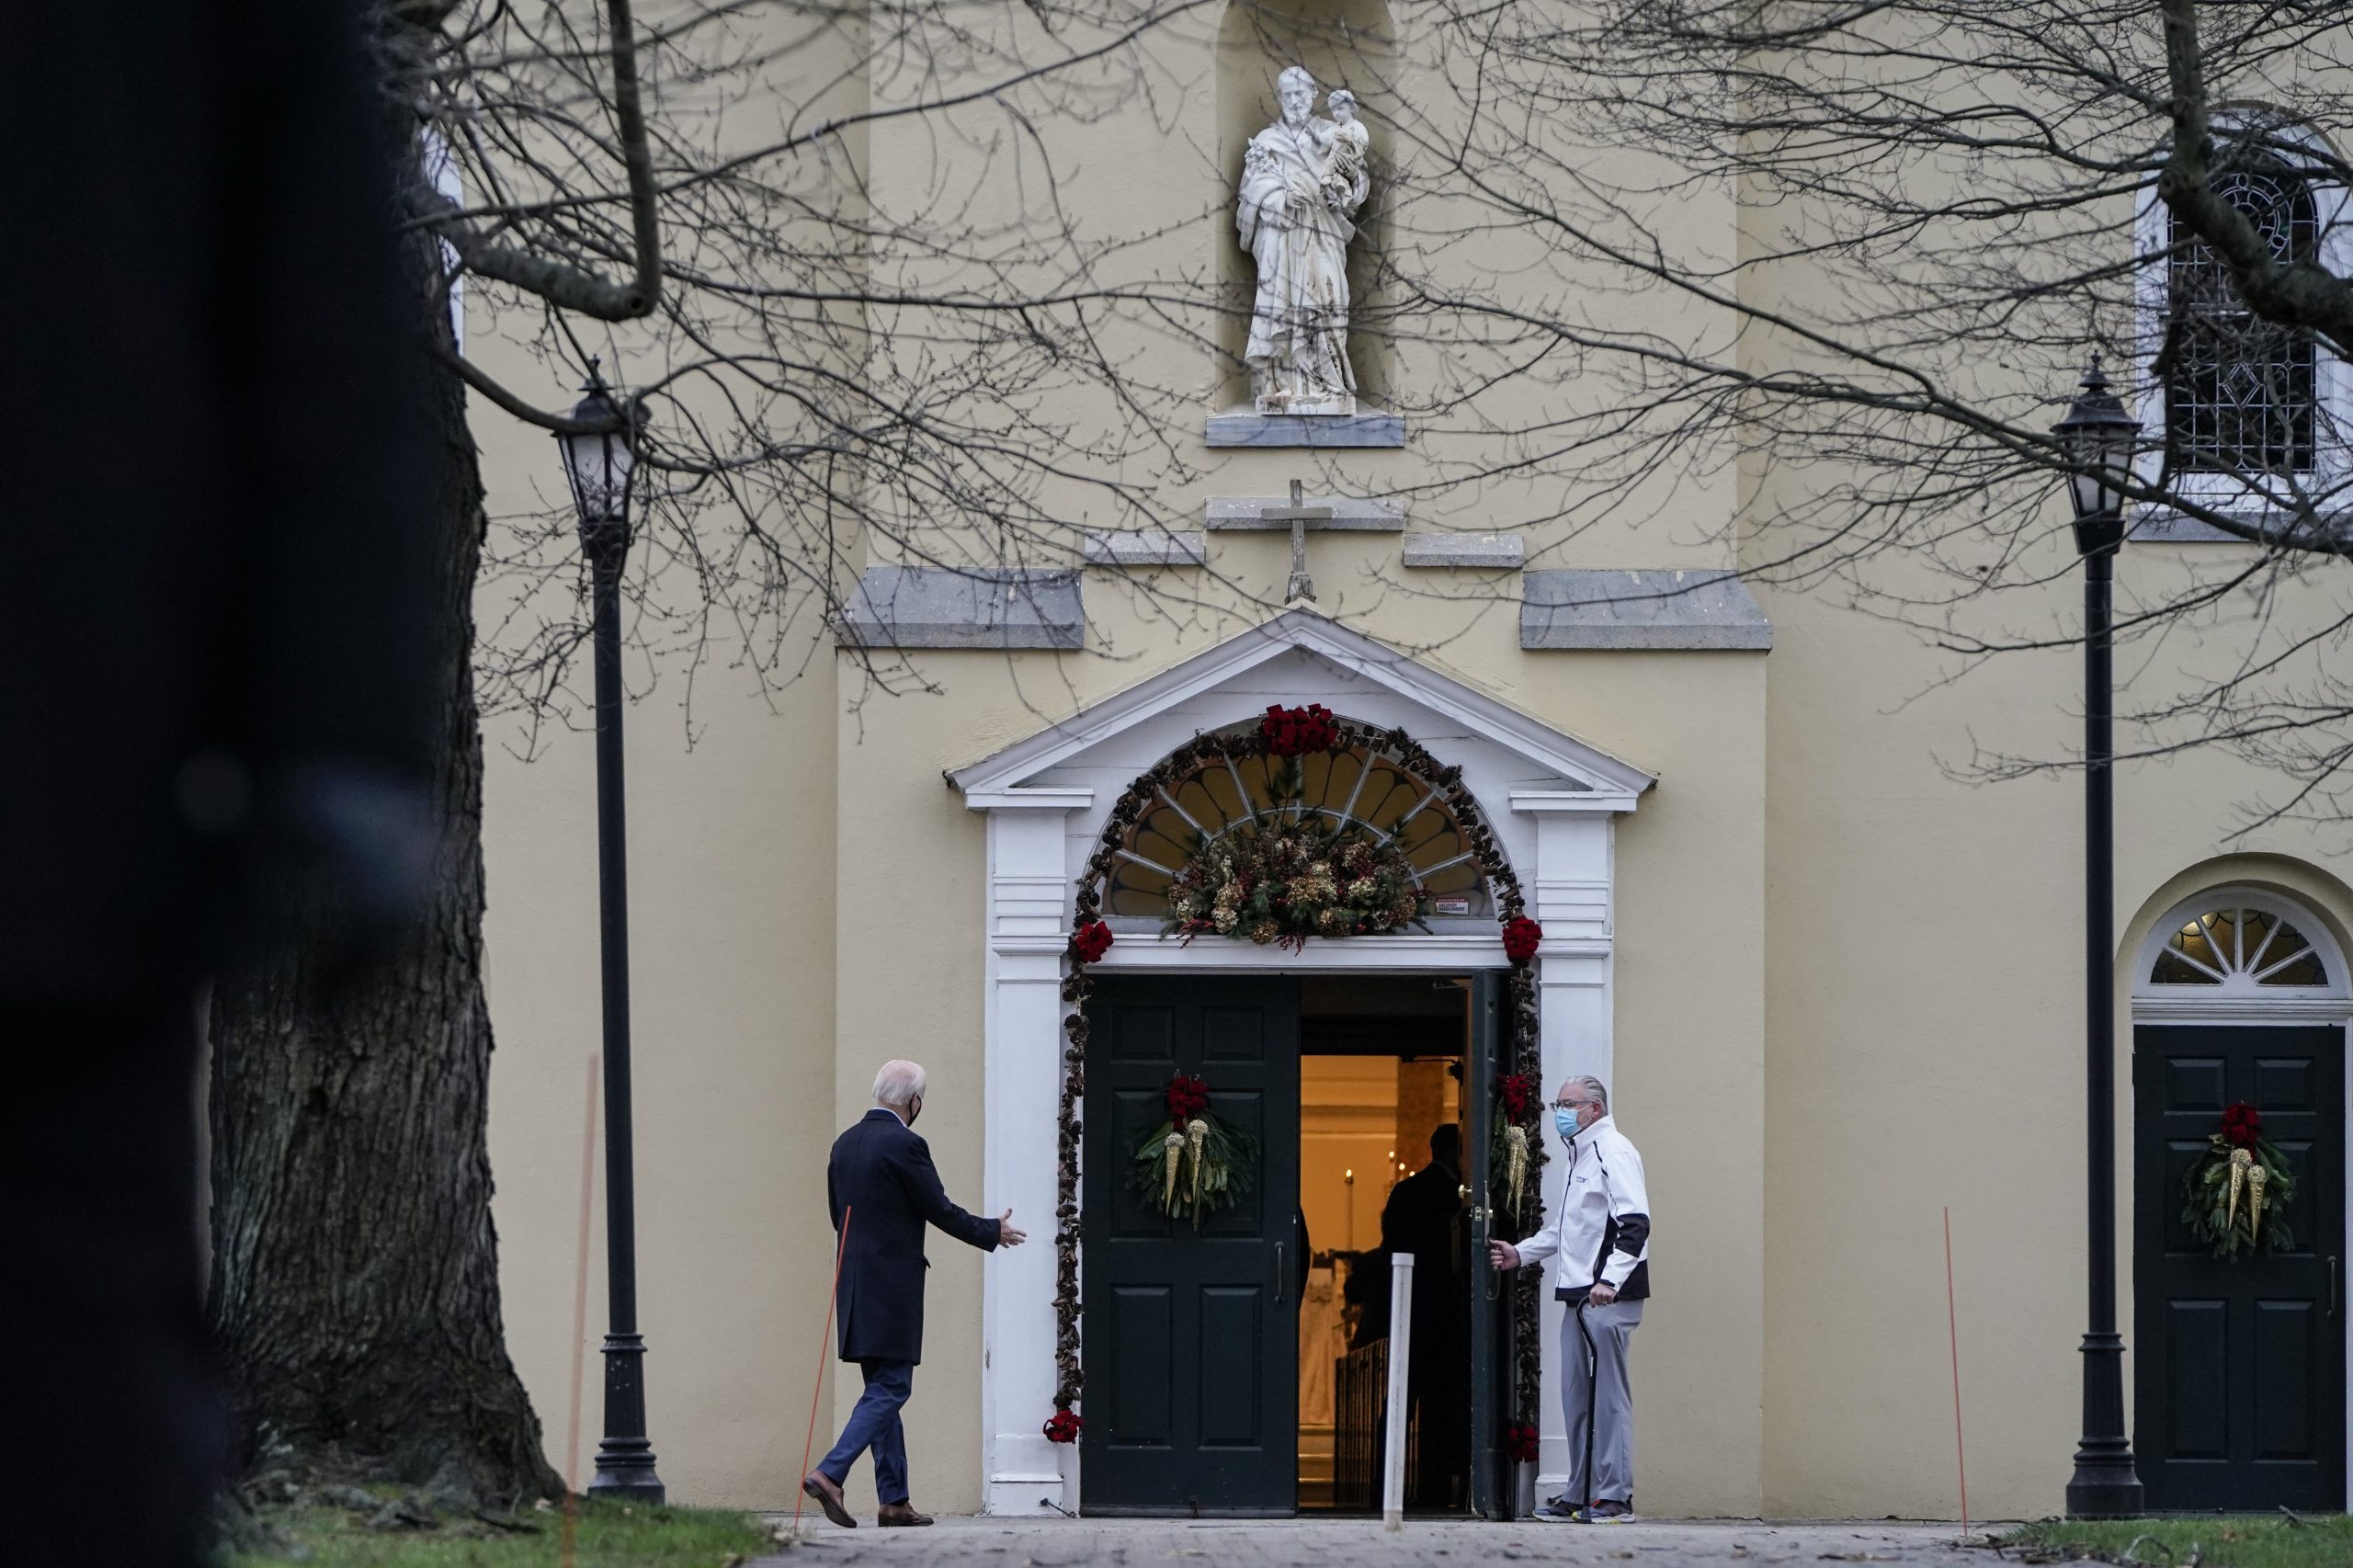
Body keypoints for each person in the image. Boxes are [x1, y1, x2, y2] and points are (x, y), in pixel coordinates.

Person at [2, 4, 438, 1562]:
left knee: (64, 1423)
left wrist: (347, 731)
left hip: (59, 816)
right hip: (73, 802)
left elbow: (311, 301)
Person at [803, 1061, 1026, 1528]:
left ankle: (894, 1501)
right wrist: (992, 1231)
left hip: (854, 1282)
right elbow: (938, 1208)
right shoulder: (907, 1143)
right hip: (892, 1286)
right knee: (893, 1387)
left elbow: (834, 1215)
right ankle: (831, 1472)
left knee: (879, 1389)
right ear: (914, 1101)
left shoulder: (844, 1143)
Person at [1489, 1077, 1651, 1523]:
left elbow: (1635, 1222)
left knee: (1609, 1396)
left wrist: (1611, 1280)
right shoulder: (1579, 1157)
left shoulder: (1613, 1151)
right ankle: (1581, 1493)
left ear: (1593, 1109)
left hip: (1605, 1296)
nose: (1558, 1110)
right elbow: (1563, 1230)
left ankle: (1616, 1497)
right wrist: (1520, 1253)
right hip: (1579, 1294)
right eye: (1556, 1103)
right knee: (1577, 1395)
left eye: (1567, 1103)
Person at [1235, 64, 1369, 413]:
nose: (1294, 100)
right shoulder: (1266, 142)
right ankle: (1285, 384)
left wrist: (1346, 191)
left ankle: (1329, 384)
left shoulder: (1334, 133)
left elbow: (1357, 178)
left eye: (1300, 93)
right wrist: (1280, 199)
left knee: (1328, 296)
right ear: (1279, 99)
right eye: (1287, 94)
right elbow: (1250, 193)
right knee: (1285, 306)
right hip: (1283, 239)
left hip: (1324, 231)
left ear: (1313, 95)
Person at [1381, 1124, 1470, 1506]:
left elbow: (1390, 1245)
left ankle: (1385, 1487)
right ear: (1457, 1153)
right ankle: (1432, 1490)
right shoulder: (1458, 1196)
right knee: (1438, 1403)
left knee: (1401, 1397)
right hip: (1445, 1311)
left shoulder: (1405, 1190)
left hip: (1408, 1304)